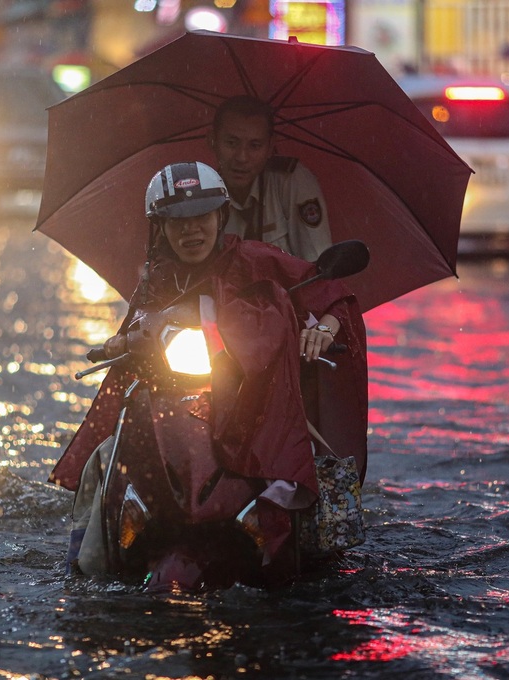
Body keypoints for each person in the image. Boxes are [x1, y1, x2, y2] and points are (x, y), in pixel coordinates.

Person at [50, 161, 368, 584]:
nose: (191, 231)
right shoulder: (155, 278)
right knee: (103, 458)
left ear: (220, 215)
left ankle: (303, 547)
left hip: (250, 397)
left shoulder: (255, 259)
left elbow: (330, 294)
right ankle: (81, 563)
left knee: (298, 464)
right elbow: (134, 327)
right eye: (177, 221)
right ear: (159, 227)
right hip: (168, 397)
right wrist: (117, 344)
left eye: (201, 217)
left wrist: (324, 331)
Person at [207, 95, 333, 262]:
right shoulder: (206, 198)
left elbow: (318, 264)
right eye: (231, 143)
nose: (242, 157)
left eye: (255, 146)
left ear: (270, 147)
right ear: (212, 140)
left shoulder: (291, 181)